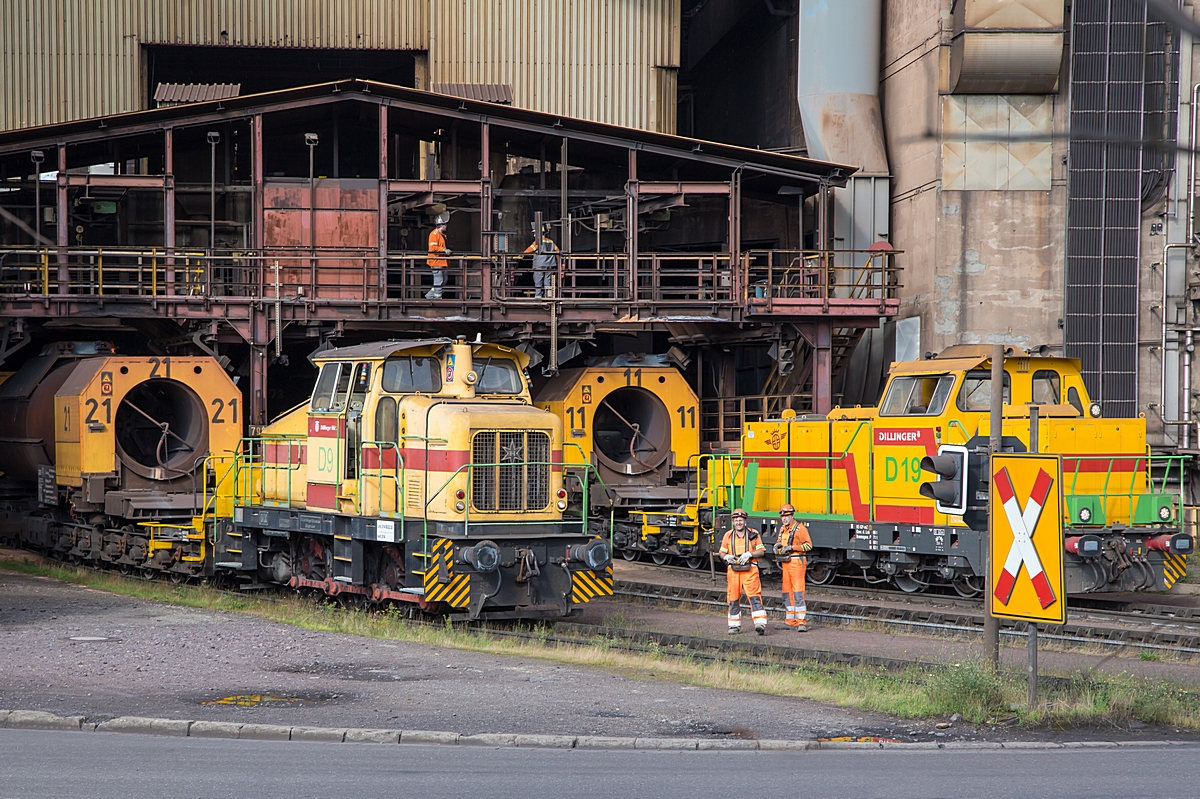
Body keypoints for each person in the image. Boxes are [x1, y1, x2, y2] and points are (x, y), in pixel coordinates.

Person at [719, 509, 768, 635]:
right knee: (733, 598)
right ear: (733, 522)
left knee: (755, 597)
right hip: (733, 571)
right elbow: (721, 552)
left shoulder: (754, 534)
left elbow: (762, 551)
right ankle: (734, 626)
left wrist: (749, 554)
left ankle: (760, 624)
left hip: (750, 570)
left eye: (740, 520)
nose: (738, 522)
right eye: (736, 520)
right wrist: (726, 557)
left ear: (745, 521)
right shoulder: (728, 535)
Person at [774, 503, 812, 631]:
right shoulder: (782, 529)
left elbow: (808, 546)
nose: (784, 519)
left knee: (798, 592)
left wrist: (793, 548)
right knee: (787, 592)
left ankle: (801, 622)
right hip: (786, 563)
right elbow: (780, 541)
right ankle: (790, 620)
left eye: (786, 516)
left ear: (792, 516)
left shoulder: (800, 529)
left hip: (797, 563)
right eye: (782, 516)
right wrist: (778, 545)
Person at [523, 226, 560, 298]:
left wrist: (522, 255)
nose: (534, 235)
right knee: (547, 281)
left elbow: (530, 249)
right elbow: (557, 251)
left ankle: (538, 297)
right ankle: (547, 296)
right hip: (549, 265)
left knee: (538, 281)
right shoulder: (551, 241)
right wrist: (559, 262)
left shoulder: (538, 241)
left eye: (535, 233)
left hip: (539, 264)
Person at [426, 212, 450, 299]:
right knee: (439, 281)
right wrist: (443, 250)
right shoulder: (434, 234)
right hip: (436, 262)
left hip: (442, 261)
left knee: (444, 280)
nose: (446, 226)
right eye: (445, 225)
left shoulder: (443, 235)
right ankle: (438, 299)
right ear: (442, 225)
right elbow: (433, 247)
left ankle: (429, 296)